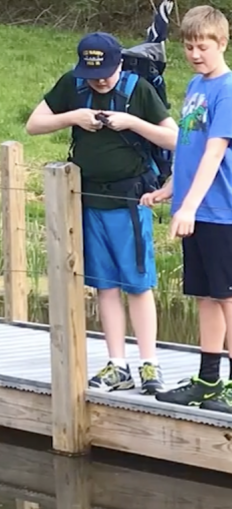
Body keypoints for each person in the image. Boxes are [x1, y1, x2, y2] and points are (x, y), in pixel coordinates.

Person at [25, 32, 177, 394]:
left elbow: (174, 138)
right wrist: (74, 116)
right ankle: (118, 364)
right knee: (105, 286)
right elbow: (34, 125)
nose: (100, 80)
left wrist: (131, 123)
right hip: (90, 200)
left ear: (120, 63)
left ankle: (149, 364)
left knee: (138, 284)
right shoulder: (73, 87)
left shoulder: (138, 89)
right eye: (93, 74)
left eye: (106, 72)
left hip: (131, 202)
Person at [148, 6, 232, 415]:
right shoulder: (196, 85)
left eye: (203, 46)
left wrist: (189, 207)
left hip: (225, 210)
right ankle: (207, 378)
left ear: (222, 43)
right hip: (195, 208)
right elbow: (191, 150)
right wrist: (170, 190)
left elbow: (215, 153)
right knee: (206, 298)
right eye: (189, 46)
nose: (195, 54)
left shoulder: (230, 91)